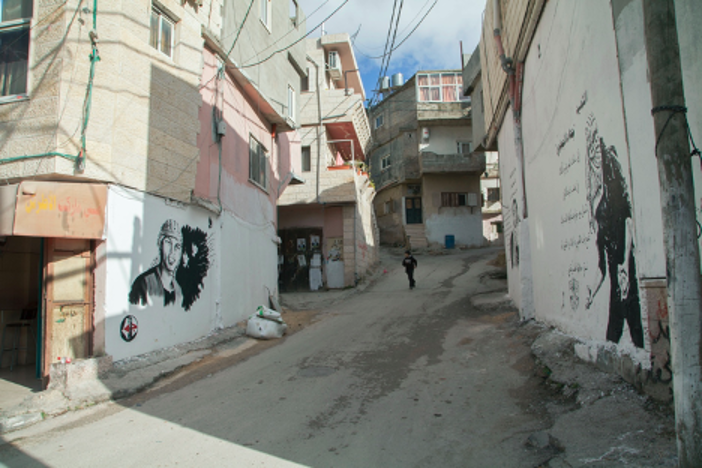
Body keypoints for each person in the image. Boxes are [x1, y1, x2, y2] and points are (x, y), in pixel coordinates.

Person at [584, 118, 644, 348]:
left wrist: (625, 267)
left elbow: (628, 222)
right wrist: (591, 291)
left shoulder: (614, 185)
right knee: (620, 317)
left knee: (627, 314)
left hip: (624, 267)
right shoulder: (597, 195)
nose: (593, 158)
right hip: (615, 271)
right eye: (590, 152)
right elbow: (601, 263)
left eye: (595, 150)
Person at [129, 219, 183, 307]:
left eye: (177, 246)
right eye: (168, 243)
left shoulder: (178, 292)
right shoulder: (144, 283)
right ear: (160, 244)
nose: (172, 253)